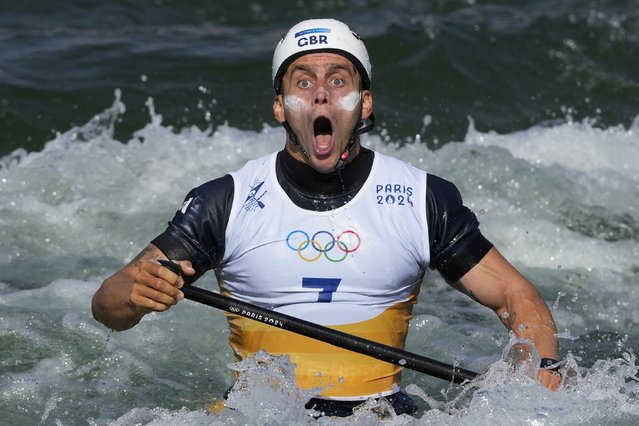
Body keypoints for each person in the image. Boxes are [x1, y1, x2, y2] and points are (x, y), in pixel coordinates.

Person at [92, 18, 560, 417]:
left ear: (365, 102)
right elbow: (108, 302)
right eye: (302, 81)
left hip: (384, 416)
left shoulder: (422, 198)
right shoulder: (225, 200)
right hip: (257, 419)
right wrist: (135, 295)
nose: (320, 94)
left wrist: (540, 371)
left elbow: (516, 295)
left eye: (338, 80)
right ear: (280, 106)